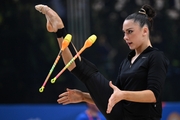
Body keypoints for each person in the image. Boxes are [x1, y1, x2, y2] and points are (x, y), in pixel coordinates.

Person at [35, 4, 169, 120]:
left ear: (145, 31)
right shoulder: (128, 61)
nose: (125, 37)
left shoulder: (155, 57)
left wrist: (122, 94)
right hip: (122, 114)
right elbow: (113, 98)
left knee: (83, 70)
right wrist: (83, 97)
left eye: (130, 32)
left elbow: (153, 95)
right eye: (124, 33)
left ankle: (59, 28)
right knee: (78, 68)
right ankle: (59, 30)